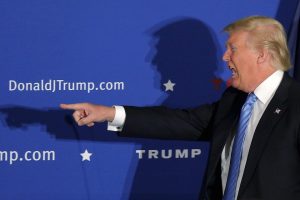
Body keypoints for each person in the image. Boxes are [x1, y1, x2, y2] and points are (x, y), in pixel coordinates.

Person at [60, 16, 300, 200]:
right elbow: (185, 122)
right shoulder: (234, 99)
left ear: (262, 55)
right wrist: (108, 113)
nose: (225, 57)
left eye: (233, 49)